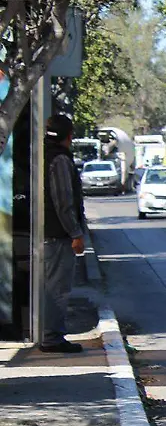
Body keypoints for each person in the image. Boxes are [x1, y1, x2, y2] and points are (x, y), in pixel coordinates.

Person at [42, 114, 86, 353]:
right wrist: (75, 233)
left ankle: (49, 334)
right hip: (58, 235)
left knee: (50, 286)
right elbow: (63, 202)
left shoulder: (41, 154)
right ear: (69, 136)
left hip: (46, 232)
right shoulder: (59, 160)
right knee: (57, 288)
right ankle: (52, 338)